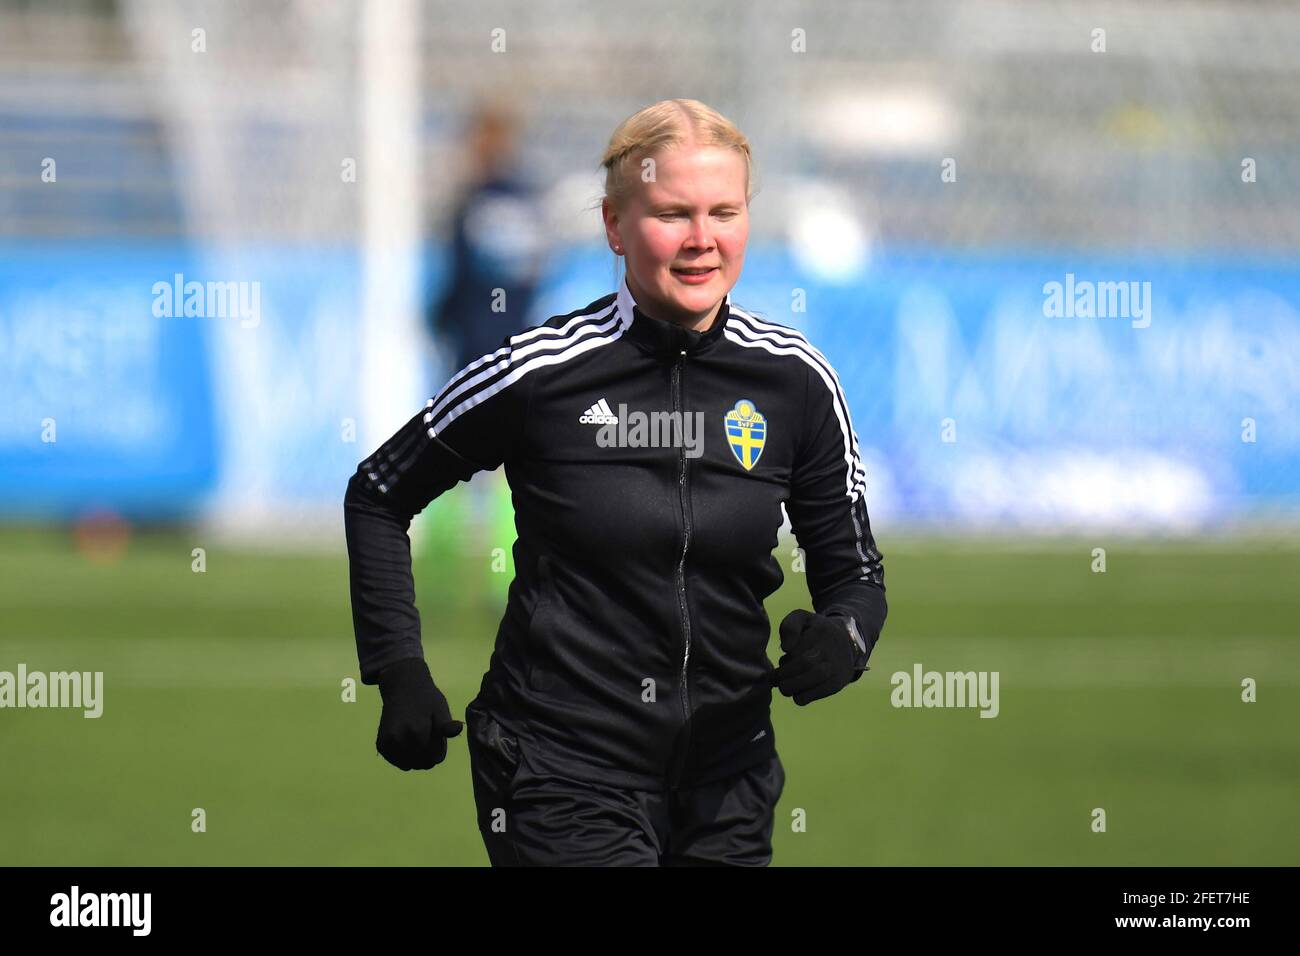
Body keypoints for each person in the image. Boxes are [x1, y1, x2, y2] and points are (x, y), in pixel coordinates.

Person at [344, 98, 887, 867]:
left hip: (730, 785)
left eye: (723, 212)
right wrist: (397, 669)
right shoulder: (540, 374)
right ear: (613, 226)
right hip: (560, 771)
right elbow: (377, 493)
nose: (702, 240)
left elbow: (856, 575)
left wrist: (845, 638)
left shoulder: (795, 382)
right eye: (672, 213)